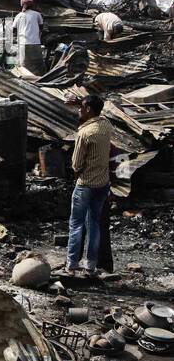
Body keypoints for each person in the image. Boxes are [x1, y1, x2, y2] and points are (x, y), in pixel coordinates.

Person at [66, 95, 113, 278]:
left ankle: (71, 265)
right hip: (102, 183)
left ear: (89, 110)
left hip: (85, 184)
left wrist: (78, 174)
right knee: (94, 224)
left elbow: (76, 164)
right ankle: (90, 267)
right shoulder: (106, 125)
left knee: (76, 224)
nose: (79, 110)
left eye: (82, 107)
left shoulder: (85, 133)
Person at [12, 0, 45, 72]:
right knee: (38, 65)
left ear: (22, 5)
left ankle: (26, 80)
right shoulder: (37, 14)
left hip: (22, 44)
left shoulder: (18, 16)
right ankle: (39, 80)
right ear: (32, 5)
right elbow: (41, 27)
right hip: (35, 43)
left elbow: (14, 29)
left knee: (24, 66)